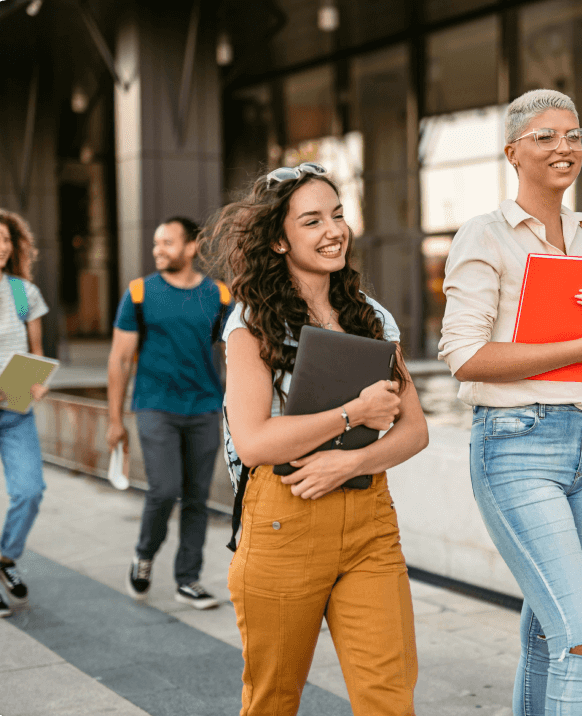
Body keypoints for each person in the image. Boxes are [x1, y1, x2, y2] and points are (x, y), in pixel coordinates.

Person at [438, 89, 582, 716]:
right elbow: (463, 356)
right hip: (517, 447)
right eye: (546, 136)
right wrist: (579, 344)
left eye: (574, 135)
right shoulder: (485, 234)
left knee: (544, 629)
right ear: (512, 152)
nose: (564, 147)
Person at [206, 163, 428, 716]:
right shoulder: (251, 322)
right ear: (279, 240)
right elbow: (253, 441)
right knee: (273, 700)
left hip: (370, 521)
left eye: (337, 215)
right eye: (312, 221)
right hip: (284, 519)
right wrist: (352, 413)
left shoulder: (371, 317)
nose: (333, 230)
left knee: (389, 698)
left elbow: (415, 429)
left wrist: (347, 464)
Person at [107, 216, 232, 610]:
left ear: (191, 247)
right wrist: (114, 421)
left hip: (205, 406)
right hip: (155, 405)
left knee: (197, 496)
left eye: (167, 243)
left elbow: (233, 356)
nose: (158, 250)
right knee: (163, 489)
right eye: (156, 244)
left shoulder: (220, 296)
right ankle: (144, 554)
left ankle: (188, 579)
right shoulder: (140, 292)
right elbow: (119, 359)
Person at [0, 208, 49, 618]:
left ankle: (7, 559)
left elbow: (36, 349)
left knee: (30, 489)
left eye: (7, 240)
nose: (2, 247)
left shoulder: (24, 291)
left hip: (14, 398)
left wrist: (39, 380)